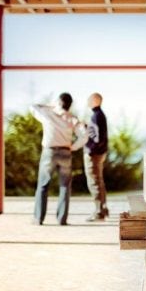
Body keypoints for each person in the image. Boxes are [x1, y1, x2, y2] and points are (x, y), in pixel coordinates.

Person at [31, 93, 86, 226]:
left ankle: (38, 219)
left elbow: (33, 107)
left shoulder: (48, 114)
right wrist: (73, 147)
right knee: (65, 187)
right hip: (66, 152)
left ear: (59, 102)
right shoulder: (72, 118)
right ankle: (62, 219)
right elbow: (84, 136)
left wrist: (52, 105)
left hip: (49, 152)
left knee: (43, 185)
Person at [84, 93, 109, 222]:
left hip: (94, 154)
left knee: (94, 182)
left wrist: (90, 150)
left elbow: (97, 138)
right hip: (99, 153)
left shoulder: (97, 116)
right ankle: (103, 209)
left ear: (95, 101)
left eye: (89, 99)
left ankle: (99, 212)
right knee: (99, 181)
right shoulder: (99, 115)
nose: (87, 102)